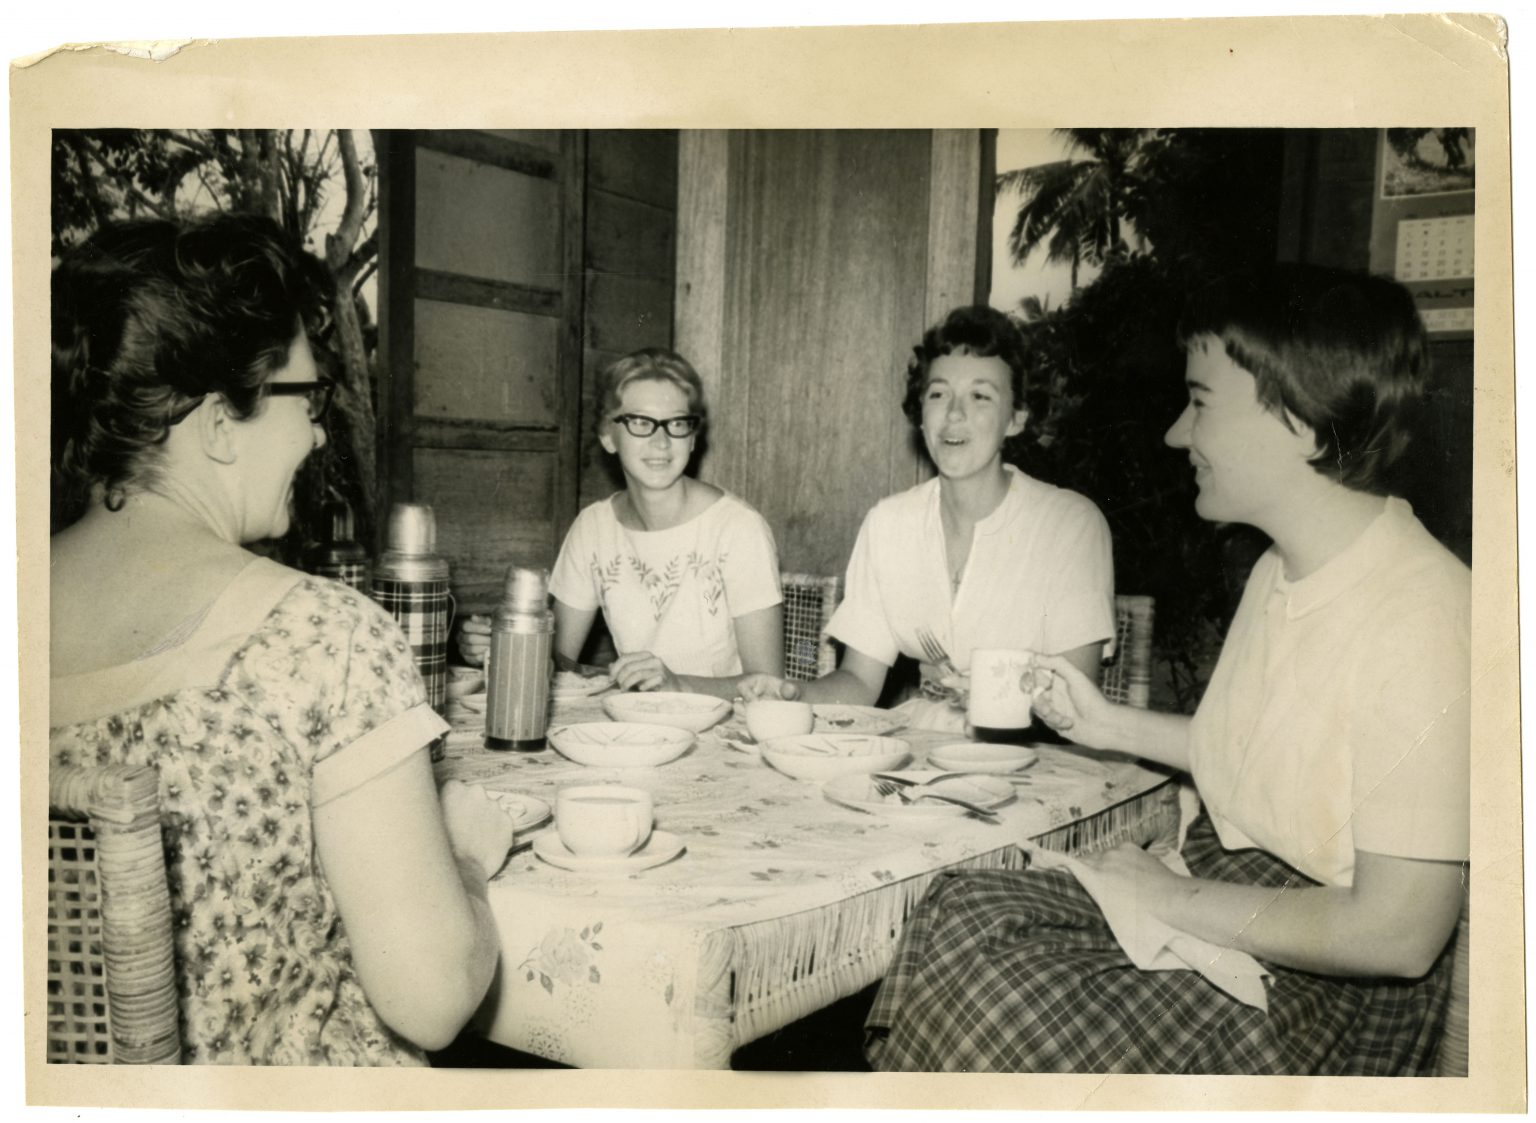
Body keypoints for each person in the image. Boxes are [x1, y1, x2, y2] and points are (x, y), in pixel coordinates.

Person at [864, 264, 1470, 1074]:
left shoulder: (1426, 611)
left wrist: (1167, 893)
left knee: (997, 990)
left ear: (1296, 419)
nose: (1177, 434)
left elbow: (1398, 933)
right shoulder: (1280, 569)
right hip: (1231, 895)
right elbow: (1252, 749)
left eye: (1201, 402)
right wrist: (1102, 720)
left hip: (1320, 978)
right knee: (961, 908)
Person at [49, 214, 512, 1065]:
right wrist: (469, 861)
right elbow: (434, 997)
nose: (320, 433)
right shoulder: (319, 637)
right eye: (310, 399)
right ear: (219, 424)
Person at [740, 305, 1114, 732]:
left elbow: (1073, 701)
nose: (954, 413)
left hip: (1034, 749)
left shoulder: (1070, 525)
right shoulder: (888, 524)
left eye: (980, 396)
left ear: (1016, 418)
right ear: (921, 414)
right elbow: (859, 682)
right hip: (925, 741)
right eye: (938, 394)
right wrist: (793, 695)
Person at [459, 348, 783, 698]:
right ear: (607, 436)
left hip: (726, 725)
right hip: (635, 721)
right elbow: (559, 662)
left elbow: (769, 684)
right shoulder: (594, 527)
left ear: (692, 438)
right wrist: (504, 645)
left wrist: (678, 684)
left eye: (676, 423)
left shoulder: (738, 528)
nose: (661, 442)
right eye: (640, 422)